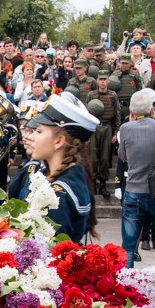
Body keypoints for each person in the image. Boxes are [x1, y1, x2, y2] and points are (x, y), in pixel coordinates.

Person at [115, 89, 155, 266]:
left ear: (131, 113)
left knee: (128, 245)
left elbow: (122, 157)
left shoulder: (126, 128)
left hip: (134, 190)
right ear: (152, 111)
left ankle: (124, 284)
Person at [26, 94, 98, 241]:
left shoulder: (59, 195)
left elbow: (49, 252)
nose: (30, 137)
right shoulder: (62, 176)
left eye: (39, 131)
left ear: (59, 141)